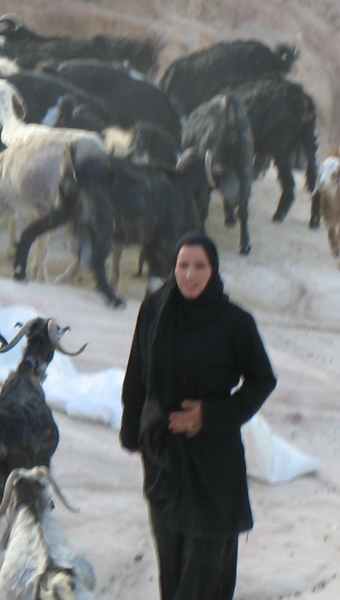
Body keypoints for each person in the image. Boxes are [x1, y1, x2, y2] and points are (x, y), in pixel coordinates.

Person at [120, 232, 277, 600]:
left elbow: (262, 380)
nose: (190, 275)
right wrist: (134, 430)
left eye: (200, 266)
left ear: (214, 269)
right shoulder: (155, 309)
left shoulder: (236, 323)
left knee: (206, 568)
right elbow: (137, 372)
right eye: (183, 265)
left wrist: (210, 415)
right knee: (172, 568)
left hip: (213, 463)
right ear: (173, 268)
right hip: (163, 459)